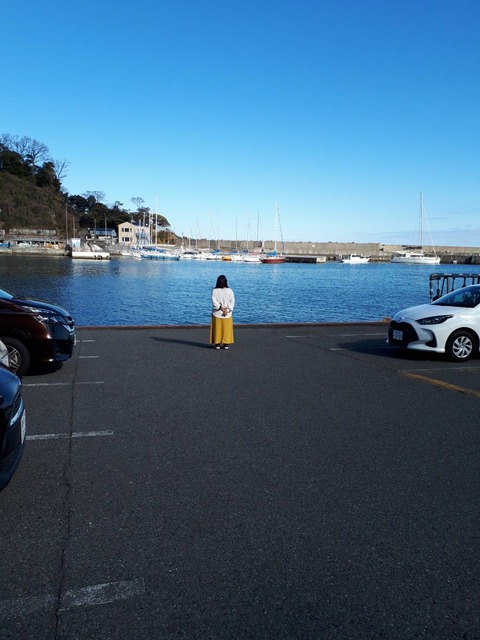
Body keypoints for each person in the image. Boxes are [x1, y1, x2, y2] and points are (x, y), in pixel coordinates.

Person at [210, 275, 235, 350]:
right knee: (226, 329)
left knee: (217, 329)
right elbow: (232, 301)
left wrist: (220, 308)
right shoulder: (230, 291)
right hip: (227, 314)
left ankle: (217, 344)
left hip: (217, 313)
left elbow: (214, 302)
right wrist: (227, 310)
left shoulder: (214, 290)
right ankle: (226, 344)